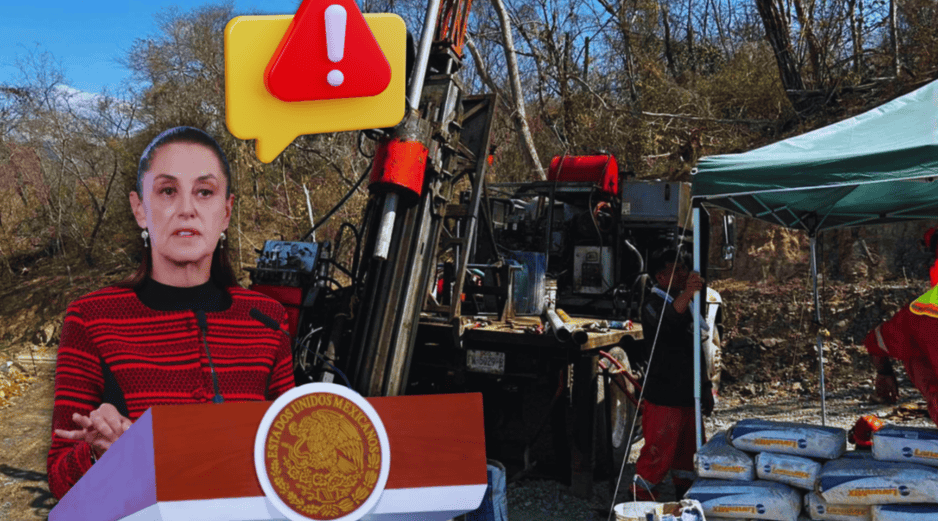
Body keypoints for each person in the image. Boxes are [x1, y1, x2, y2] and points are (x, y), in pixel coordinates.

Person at [47, 127, 296, 499]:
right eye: (167, 191)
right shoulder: (91, 318)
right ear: (139, 209)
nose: (186, 209)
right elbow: (59, 479)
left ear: (226, 212)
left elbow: (288, 451)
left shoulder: (267, 319)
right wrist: (99, 454)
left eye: (204, 192)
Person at [633, 248, 713, 501]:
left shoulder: (688, 305)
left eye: (684, 268)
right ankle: (640, 501)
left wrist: (706, 386)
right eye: (676, 269)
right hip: (664, 396)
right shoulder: (652, 305)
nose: (684, 273)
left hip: (689, 395)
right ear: (660, 277)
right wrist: (688, 293)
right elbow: (667, 321)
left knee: (690, 454)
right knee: (658, 453)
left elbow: (698, 349)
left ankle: (685, 497)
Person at [864, 284, 938, 426]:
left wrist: (884, 372)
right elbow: (879, 339)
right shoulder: (923, 310)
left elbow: (878, 340)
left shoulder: (924, 309)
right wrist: (884, 372)